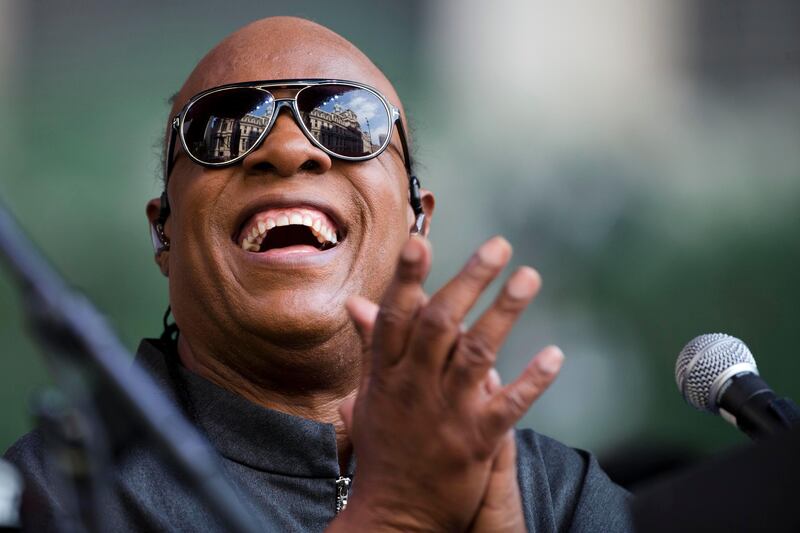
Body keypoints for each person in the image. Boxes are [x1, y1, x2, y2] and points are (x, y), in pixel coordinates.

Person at [4, 16, 632, 532]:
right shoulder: (52, 501)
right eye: (226, 128)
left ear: (419, 219)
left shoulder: (559, 498)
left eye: (349, 123)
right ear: (163, 230)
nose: (288, 149)